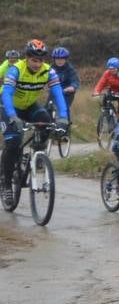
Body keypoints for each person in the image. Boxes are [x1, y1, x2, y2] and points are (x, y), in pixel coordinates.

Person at [2, 40, 70, 192]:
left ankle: (35, 152)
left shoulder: (48, 71)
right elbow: (7, 93)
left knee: (46, 122)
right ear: (26, 58)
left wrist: (63, 117)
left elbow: (58, 94)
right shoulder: (15, 70)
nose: (37, 64)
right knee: (13, 144)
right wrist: (12, 116)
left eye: (40, 60)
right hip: (9, 107)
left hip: (30, 106)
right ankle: (6, 185)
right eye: (34, 60)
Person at [50, 47, 79, 119]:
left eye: (62, 59)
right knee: (47, 108)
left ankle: (66, 124)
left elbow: (75, 81)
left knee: (64, 109)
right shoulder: (50, 68)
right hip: (54, 92)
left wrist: (72, 87)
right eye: (57, 59)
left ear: (65, 59)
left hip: (67, 93)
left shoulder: (70, 69)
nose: (59, 61)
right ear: (54, 59)